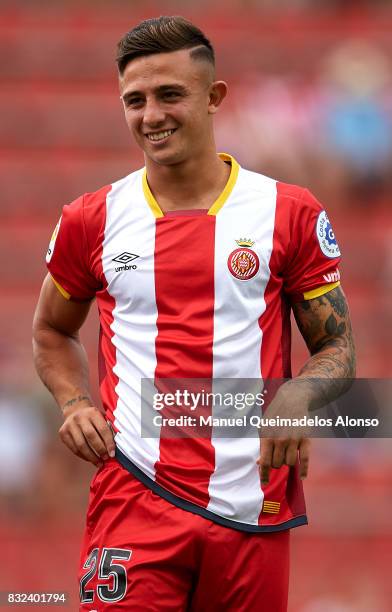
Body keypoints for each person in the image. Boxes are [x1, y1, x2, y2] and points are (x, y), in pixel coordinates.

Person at [32, 16, 356, 611]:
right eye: (135, 100)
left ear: (214, 98)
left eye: (170, 94)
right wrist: (75, 402)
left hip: (251, 501)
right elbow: (51, 330)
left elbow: (337, 350)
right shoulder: (91, 219)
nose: (151, 115)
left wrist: (299, 396)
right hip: (133, 493)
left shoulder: (288, 213)